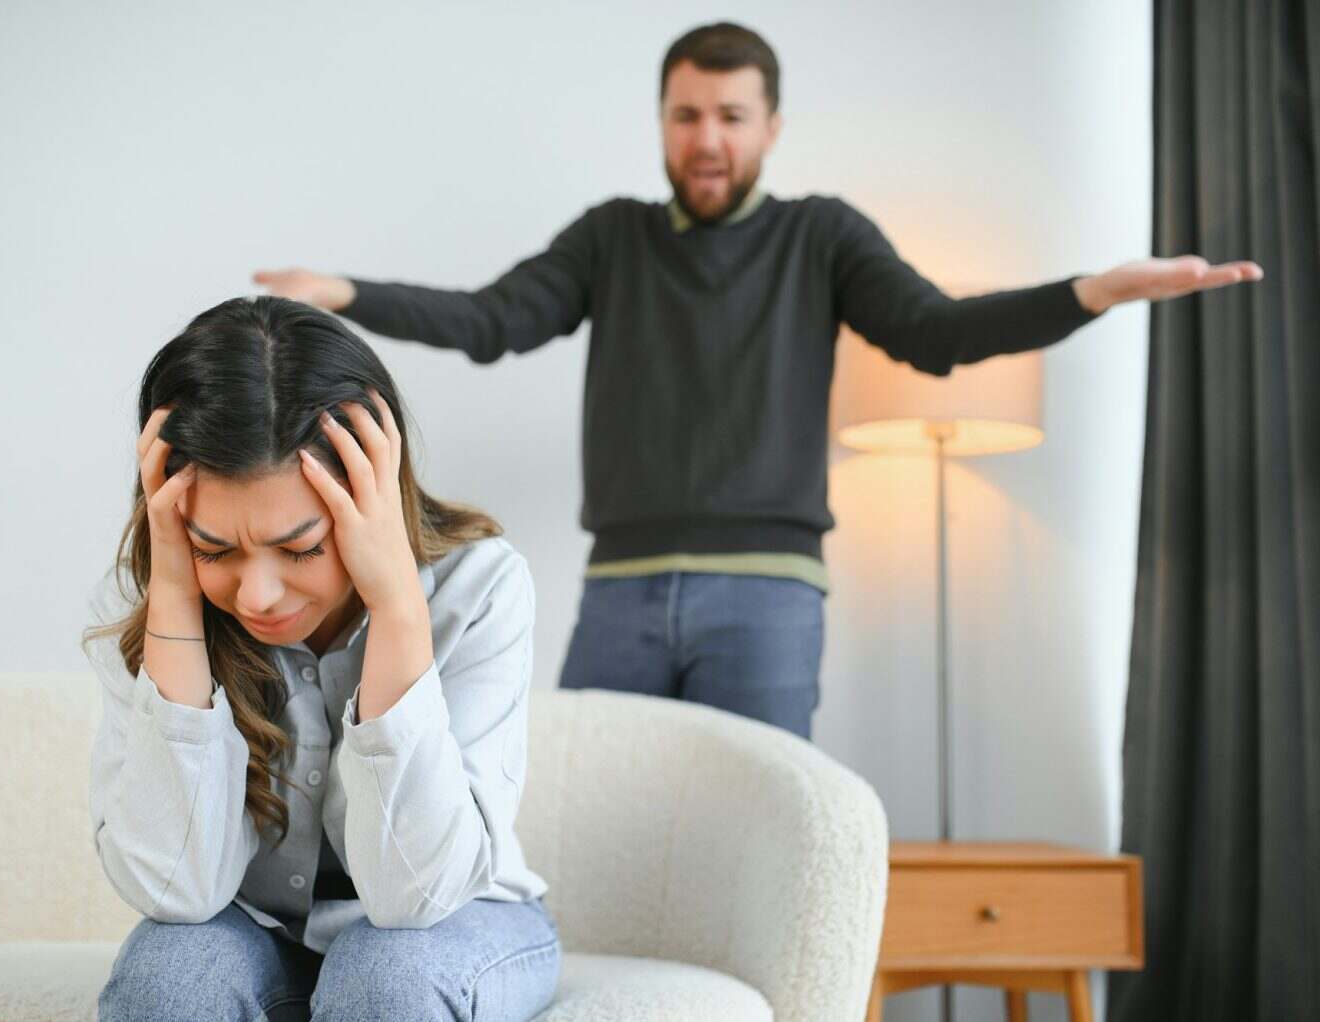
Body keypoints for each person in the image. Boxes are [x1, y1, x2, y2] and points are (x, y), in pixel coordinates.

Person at [252, 22, 1262, 743]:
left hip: (768, 593)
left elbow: (937, 334)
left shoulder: (820, 234)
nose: (707, 139)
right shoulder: (614, 237)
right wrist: (345, 290)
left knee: (762, 839)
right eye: (687, 115)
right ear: (661, 121)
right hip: (622, 591)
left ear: (771, 125)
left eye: (731, 116)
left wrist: (1094, 290)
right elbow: (491, 321)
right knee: (581, 817)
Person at [82, 296, 559, 1022]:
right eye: (217, 549)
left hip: (455, 920)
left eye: (301, 547)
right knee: (169, 978)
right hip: (260, 931)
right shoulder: (155, 607)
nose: (260, 594)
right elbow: (177, 893)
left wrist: (398, 607)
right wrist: (177, 595)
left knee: (385, 979)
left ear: (372, 491)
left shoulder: (480, 587)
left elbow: (413, 898)